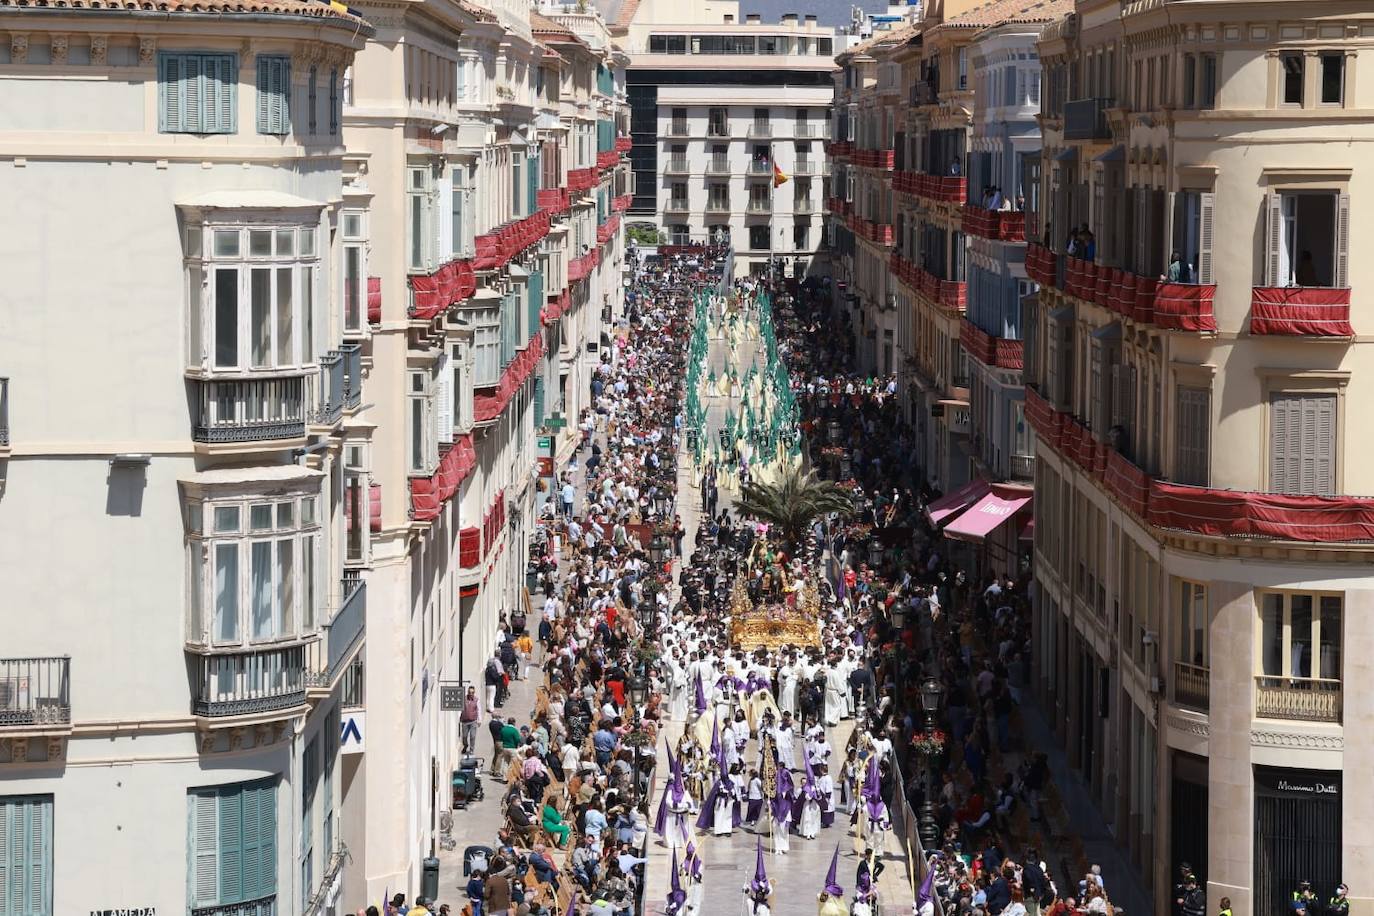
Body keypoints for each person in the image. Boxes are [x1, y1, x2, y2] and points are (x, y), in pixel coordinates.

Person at [461, 685, 482, 755]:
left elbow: (479, 710)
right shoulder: (464, 699)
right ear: (468, 692)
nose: (471, 694)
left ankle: (471, 749)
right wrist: (460, 717)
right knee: (464, 736)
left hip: (473, 721)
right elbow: (460, 709)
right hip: (465, 721)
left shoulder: (476, 700)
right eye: (469, 692)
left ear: (474, 693)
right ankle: (465, 745)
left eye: (472, 692)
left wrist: (479, 720)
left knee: (473, 736)